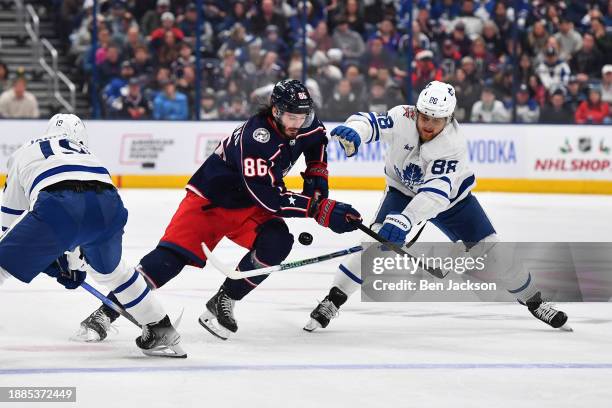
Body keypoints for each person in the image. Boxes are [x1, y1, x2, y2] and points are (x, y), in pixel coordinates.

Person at [76, 79, 362, 341]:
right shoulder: (256, 138)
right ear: (275, 111)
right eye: (291, 117)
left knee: (277, 241)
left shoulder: (304, 121)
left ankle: (223, 300)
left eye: (303, 116)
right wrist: (319, 208)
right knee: (168, 262)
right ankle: (105, 312)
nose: (297, 124)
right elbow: (270, 199)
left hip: (248, 206)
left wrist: (318, 184)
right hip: (210, 202)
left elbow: (316, 143)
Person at [304, 81, 570, 333]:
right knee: (374, 247)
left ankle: (534, 301)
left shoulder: (453, 145)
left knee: (494, 251)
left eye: (436, 119)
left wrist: (405, 221)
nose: (428, 125)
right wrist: (357, 131)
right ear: (417, 111)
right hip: (401, 192)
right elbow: (370, 122)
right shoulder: (403, 116)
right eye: (425, 117)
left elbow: (435, 195)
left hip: (453, 202)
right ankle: (332, 301)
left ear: (449, 118)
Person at [0, 114, 185, 357]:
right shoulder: (85, 153)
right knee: (114, 272)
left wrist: (54, 262)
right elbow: (83, 219)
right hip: (109, 206)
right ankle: (160, 326)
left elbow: (11, 215)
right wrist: (72, 263)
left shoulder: (27, 149)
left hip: (59, 205)